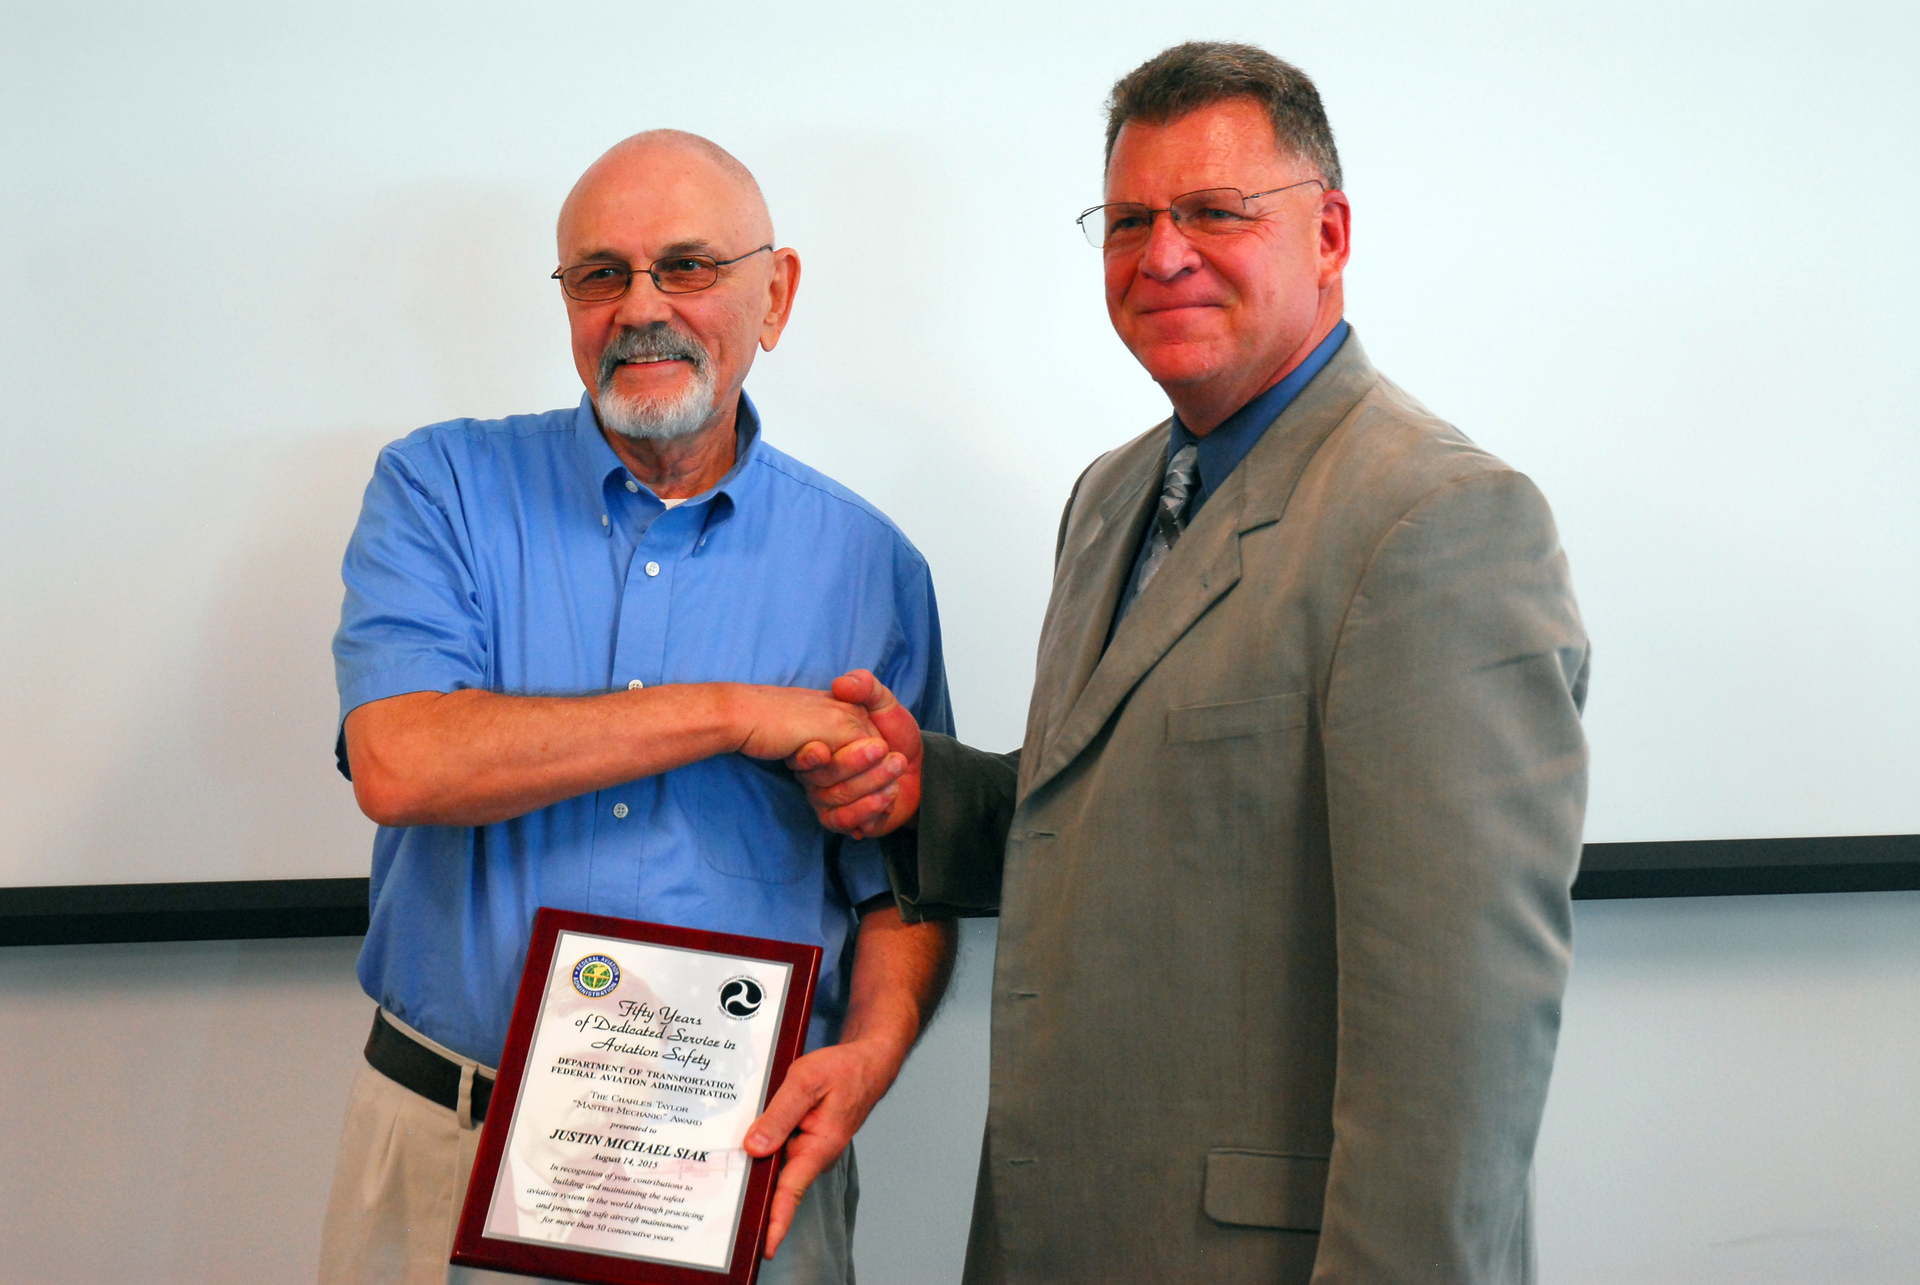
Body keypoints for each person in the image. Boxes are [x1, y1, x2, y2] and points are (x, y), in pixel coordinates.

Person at [792, 42, 1591, 1284]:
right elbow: (1126, 814)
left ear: (1328, 233)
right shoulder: (1112, 496)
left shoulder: (1438, 521)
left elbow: (1460, 1040)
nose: (1162, 253)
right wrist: (929, 793)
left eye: (1216, 211)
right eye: (1127, 220)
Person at [319, 130, 956, 1285]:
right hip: (449, 1149)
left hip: (736, 1172)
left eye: (690, 267)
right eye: (600, 275)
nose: (641, 307)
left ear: (778, 293)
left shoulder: (871, 566)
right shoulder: (440, 489)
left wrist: (870, 1054)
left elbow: (908, 885)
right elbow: (402, 762)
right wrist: (732, 712)